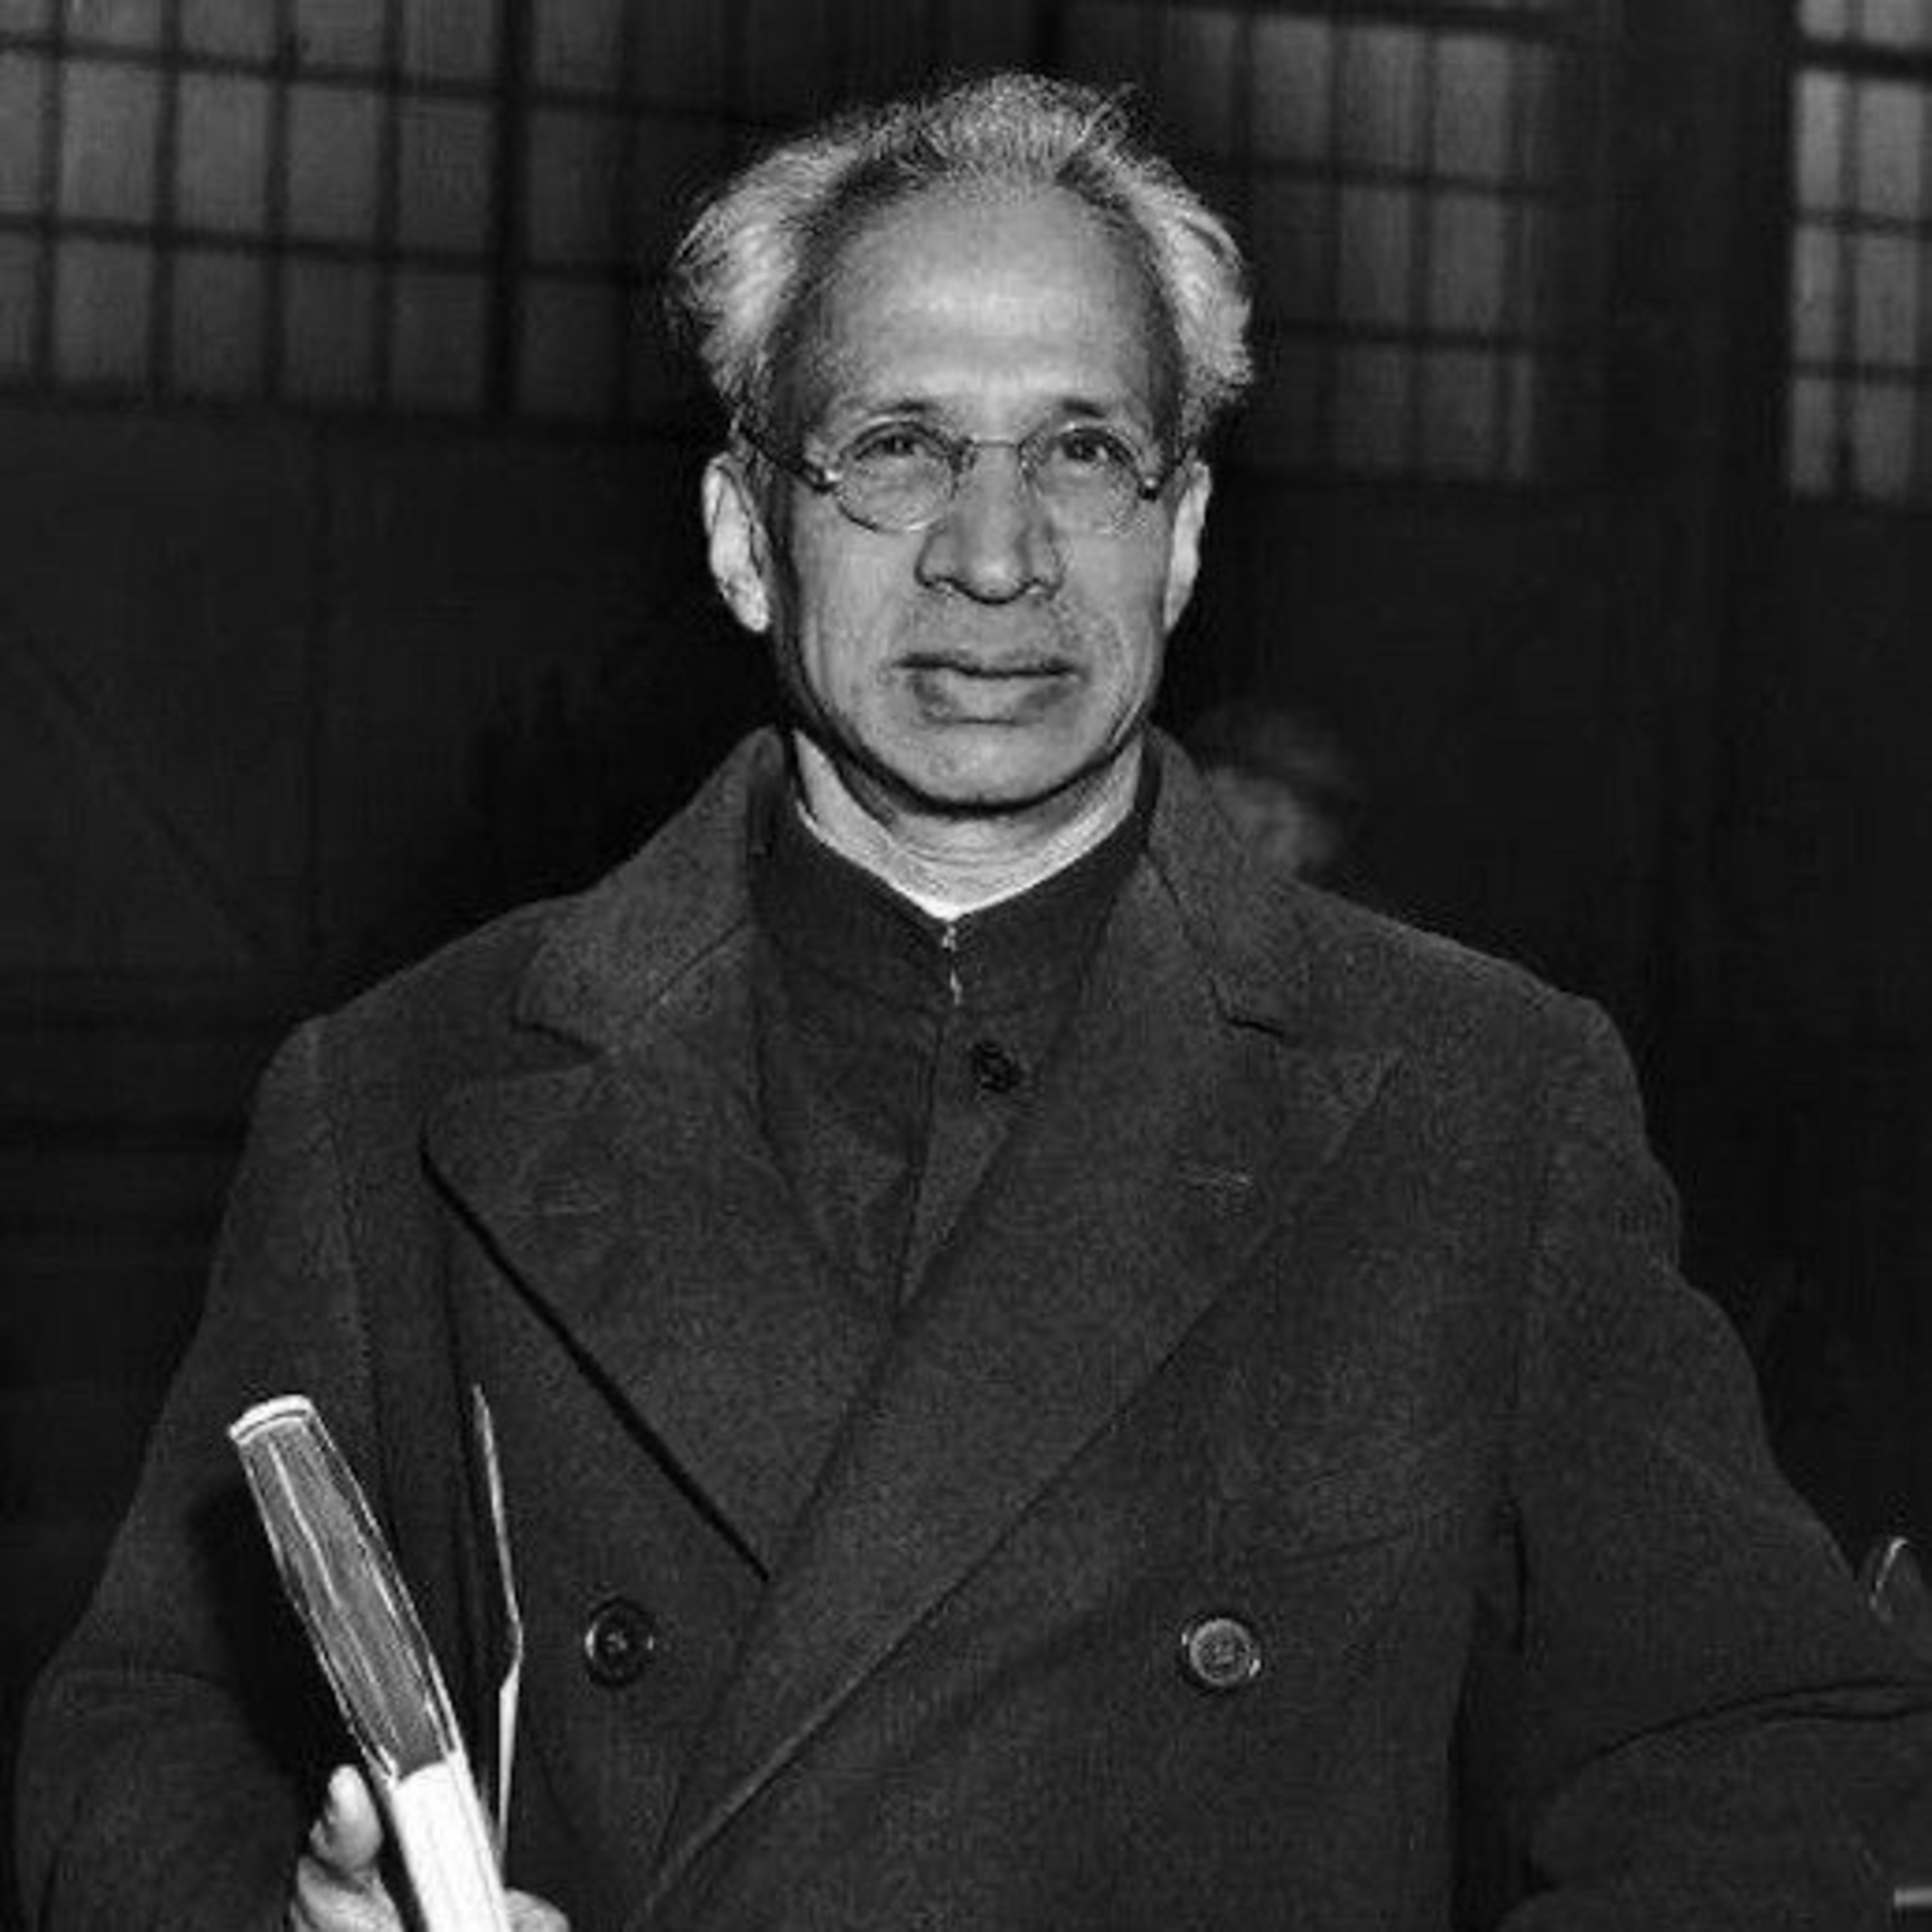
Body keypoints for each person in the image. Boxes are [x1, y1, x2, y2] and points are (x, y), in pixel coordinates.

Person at [17, 71, 1932, 1932]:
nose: (997, 559)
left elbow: (1751, 1756)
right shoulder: (406, 1094)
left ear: (1183, 534)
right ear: (745, 536)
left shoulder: (1484, 1106)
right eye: (898, 449)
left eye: (1084, 452)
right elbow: (142, 1741)